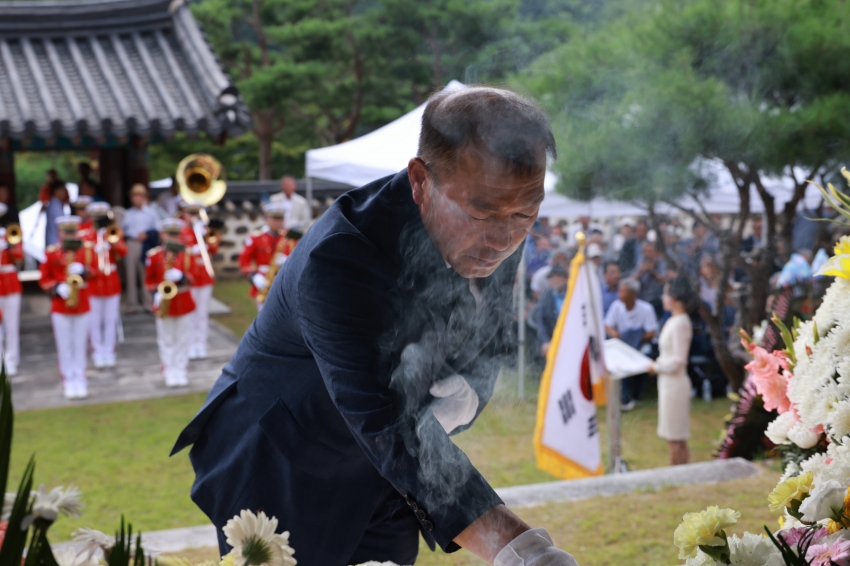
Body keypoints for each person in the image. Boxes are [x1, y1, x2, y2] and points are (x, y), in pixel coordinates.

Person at [172, 86, 578, 566]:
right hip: (283, 463)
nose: (503, 240)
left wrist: (466, 394)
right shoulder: (339, 259)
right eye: (480, 213)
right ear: (420, 181)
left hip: (388, 475)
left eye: (525, 215)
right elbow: (385, 422)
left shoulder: (499, 223)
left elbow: (488, 345)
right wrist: (522, 551)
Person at [39, 215, 97, 400]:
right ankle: (68, 380)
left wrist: (84, 270)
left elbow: (96, 271)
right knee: (64, 345)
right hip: (60, 304)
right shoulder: (51, 252)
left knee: (80, 344)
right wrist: (57, 287)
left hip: (81, 302)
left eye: (72, 232)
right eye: (66, 232)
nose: (69, 235)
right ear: (60, 233)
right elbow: (43, 277)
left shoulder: (86, 250)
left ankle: (80, 378)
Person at [647, 276, 694, 466]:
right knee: (672, 435)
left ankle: (678, 473)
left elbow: (679, 360)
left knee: (675, 436)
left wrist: (656, 367)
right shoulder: (674, 320)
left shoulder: (681, 322)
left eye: (666, 294)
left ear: (676, 297)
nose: (663, 298)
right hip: (667, 383)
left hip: (675, 383)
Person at [146, 218, 195, 387]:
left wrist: (181, 277)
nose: (172, 238)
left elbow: (193, 276)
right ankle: (168, 369)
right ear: (162, 234)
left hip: (182, 300)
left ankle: (180, 369)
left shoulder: (187, 254)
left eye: (175, 234)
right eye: (169, 234)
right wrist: (155, 294)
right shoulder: (154, 255)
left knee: (182, 338)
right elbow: (148, 280)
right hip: (163, 300)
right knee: (166, 338)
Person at [80, 202, 127, 368]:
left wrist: (112, 243)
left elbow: (123, 252)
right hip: (93, 282)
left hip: (110, 281)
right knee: (94, 320)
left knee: (110, 319)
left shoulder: (112, 232)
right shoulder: (85, 235)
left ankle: (109, 350)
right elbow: (80, 259)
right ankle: (97, 351)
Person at [604, 278, 658, 411]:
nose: (619, 294)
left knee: (642, 358)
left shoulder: (646, 308)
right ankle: (624, 398)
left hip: (642, 344)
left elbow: (651, 332)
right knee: (619, 362)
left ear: (633, 294)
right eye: (620, 291)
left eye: (623, 291)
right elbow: (607, 325)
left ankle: (637, 395)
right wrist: (616, 334)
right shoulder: (616, 306)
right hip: (622, 344)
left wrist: (635, 338)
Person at [237, 202, 295, 312]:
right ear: (267, 218)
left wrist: (288, 261)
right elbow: (244, 260)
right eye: (274, 218)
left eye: (280, 218)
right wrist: (253, 276)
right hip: (263, 282)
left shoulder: (290, 238)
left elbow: (299, 259)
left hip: (284, 283)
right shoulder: (256, 237)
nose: (278, 222)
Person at [179, 203, 219, 360]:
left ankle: (200, 343)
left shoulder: (205, 230)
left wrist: (206, 237)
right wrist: (192, 248)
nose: (193, 217)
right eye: (190, 213)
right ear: (184, 214)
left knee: (203, 313)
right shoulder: (181, 231)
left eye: (196, 213)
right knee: (190, 312)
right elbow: (179, 251)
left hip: (205, 276)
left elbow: (215, 249)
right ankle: (189, 344)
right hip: (191, 277)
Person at [122, 184, 160, 313]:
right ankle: (132, 304)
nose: (137, 199)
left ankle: (148, 303)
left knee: (145, 274)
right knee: (130, 274)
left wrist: (148, 234)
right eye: (134, 196)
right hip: (131, 243)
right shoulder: (128, 213)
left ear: (144, 197)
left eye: (139, 196)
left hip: (146, 245)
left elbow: (158, 229)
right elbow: (122, 230)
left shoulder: (151, 212)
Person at [0, 203, 23, 375]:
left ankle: (12, 359)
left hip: (9, 282)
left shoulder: (9, 234)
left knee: (12, 324)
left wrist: (9, 246)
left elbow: (20, 257)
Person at [535, 265, 568, 357]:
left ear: (565, 278)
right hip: (552, 336)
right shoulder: (546, 297)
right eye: (552, 278)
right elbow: (541, 321)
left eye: (558, 276)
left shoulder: (572, 294)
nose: (555, 280)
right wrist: (545, 341)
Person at [45, 181, 69, 247]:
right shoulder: (55, 205)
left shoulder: (54, 203)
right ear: (56, 191)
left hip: (52, 241)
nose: (65, 193)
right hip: (55, 243)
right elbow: (63, 226)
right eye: (63, 190)